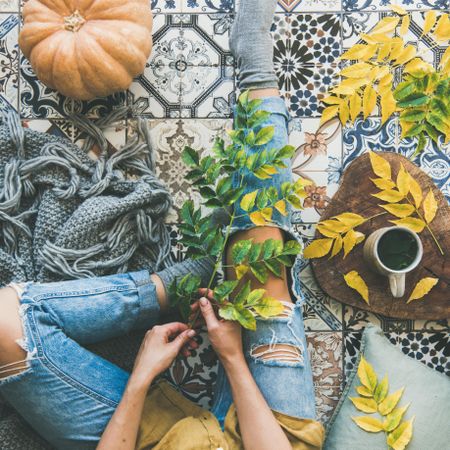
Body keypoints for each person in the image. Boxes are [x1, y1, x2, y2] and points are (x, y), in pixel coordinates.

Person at [0, 0, 325, 449]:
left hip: (148, 440)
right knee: (258, 248)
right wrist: (230, 357)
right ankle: (255, 69)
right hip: (270, 435)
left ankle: (170, 288)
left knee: (3, 323)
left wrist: (142, 374)